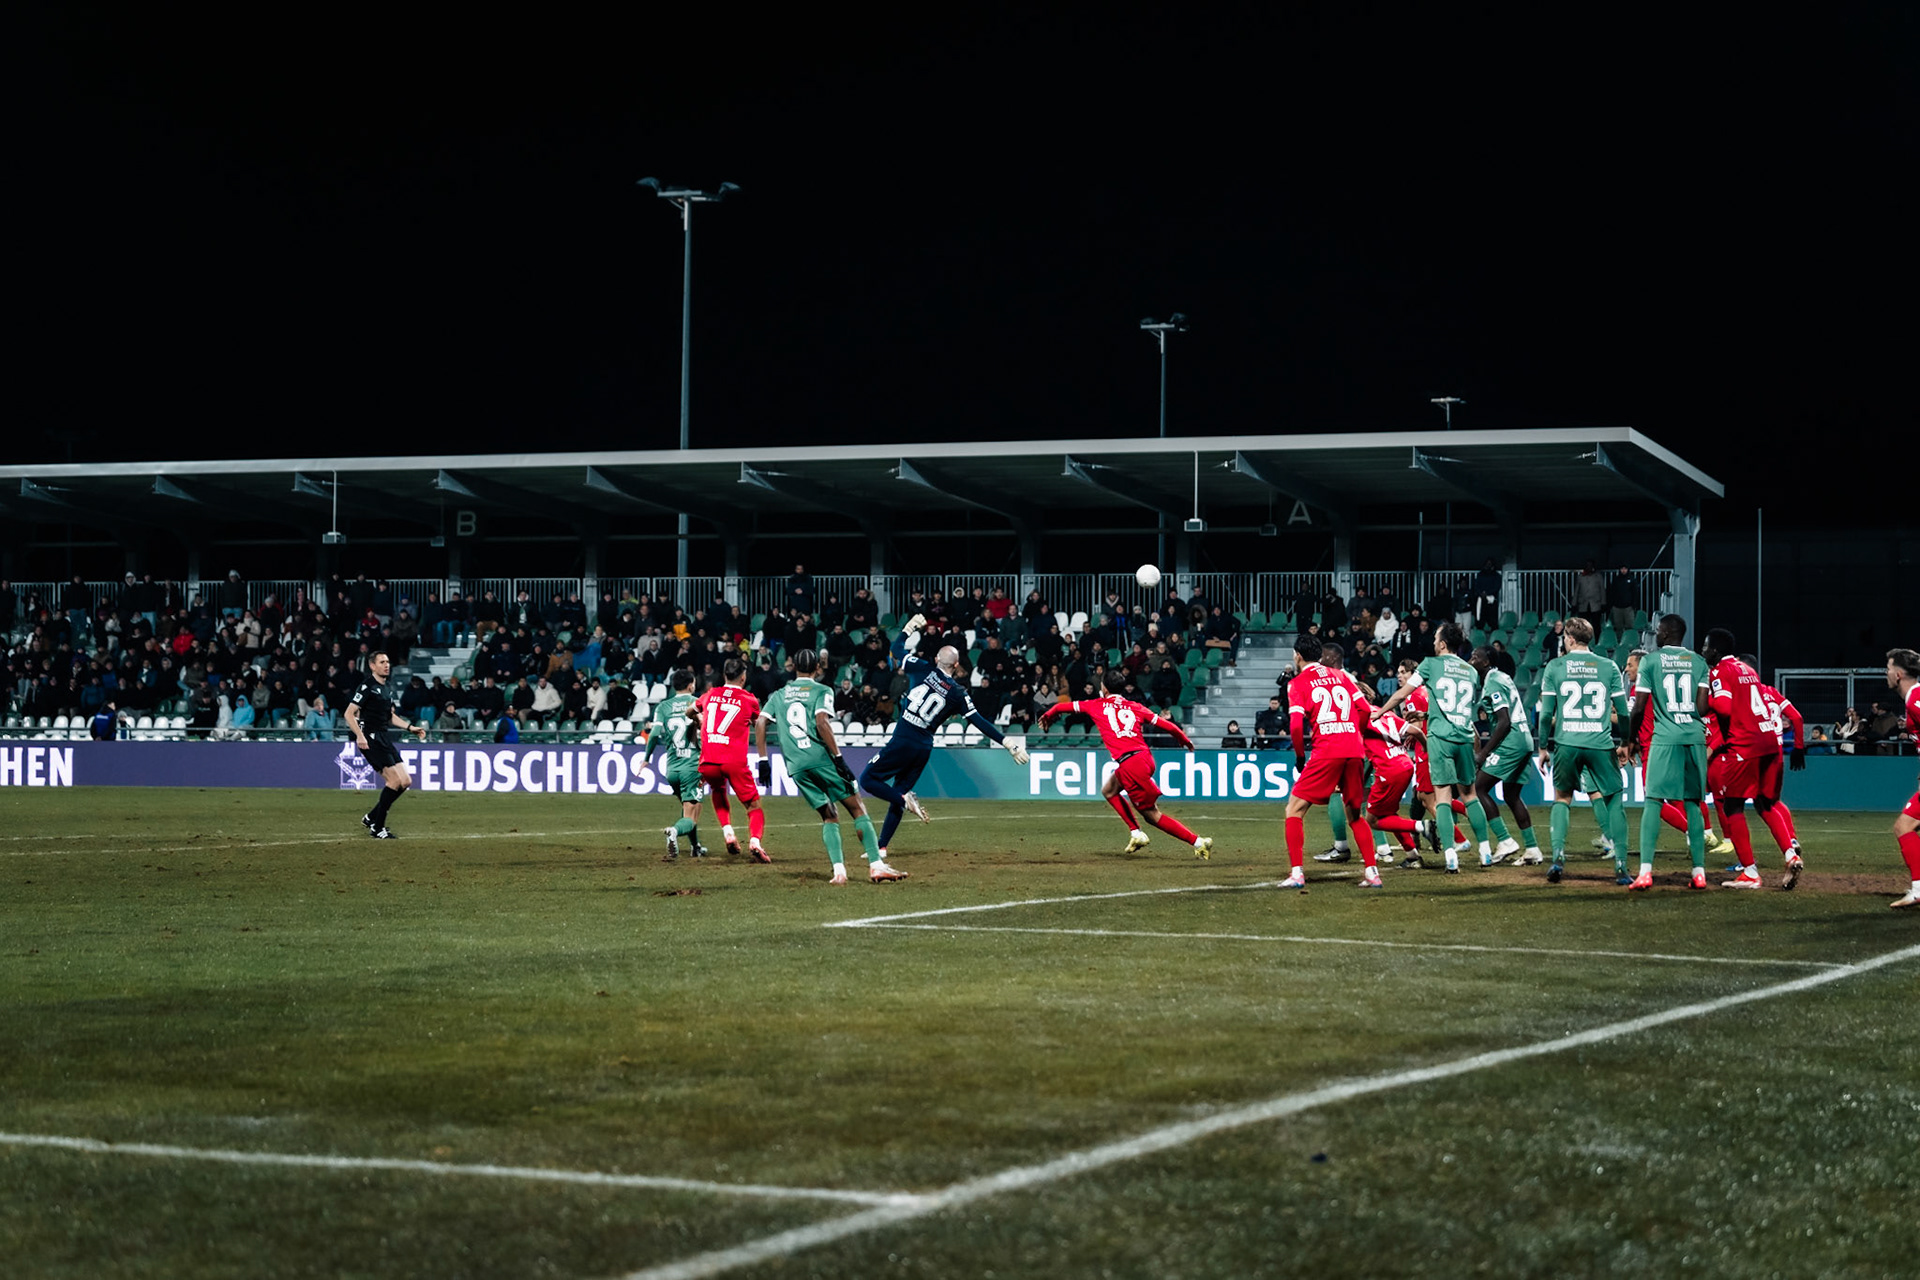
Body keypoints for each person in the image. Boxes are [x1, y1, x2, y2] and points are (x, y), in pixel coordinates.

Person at [858, 614, 1028, 862]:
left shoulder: (922, 667)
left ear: (937, 659)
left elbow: (895, 650)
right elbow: (978, 720)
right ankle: (882, 847)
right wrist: (1008, 743)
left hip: (904, 737)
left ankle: (904, 801)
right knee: (901, 788)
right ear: (957, 667)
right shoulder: (959, 694)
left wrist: (909, 628)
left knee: (868, 779)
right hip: (924, 746)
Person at [757, 648, 898, 883]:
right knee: (857, 808)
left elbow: (761, 722)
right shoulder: (822, 690)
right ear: (817, 668)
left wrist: (763, 760)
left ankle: (839, 872)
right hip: (820, 759)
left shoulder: (779, 694)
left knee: (829, 816)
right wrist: (839, 758)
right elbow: (822, 723)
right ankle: (876, 865)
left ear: (794, 668)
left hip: (796, 765)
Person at [1038, 667, 1211, 859]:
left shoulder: (1095, 704)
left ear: (1104, 688)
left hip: (1131, 764)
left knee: (1152, 815)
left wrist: (1049, 714)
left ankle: (1198, 842)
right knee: (1109, 790)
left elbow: (1063, 707)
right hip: (1144, 758)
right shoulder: (1135, 706)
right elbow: (1166, 724)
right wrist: (1183, 739)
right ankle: (1135, 833)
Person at [1377, 622, 1484, 873]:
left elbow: (1407, 708)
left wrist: (1380, 715)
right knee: (1455, 795)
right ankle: (1482, 846)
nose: (1399, 676)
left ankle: (1458, 840)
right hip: (1458, 740)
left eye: (1403, 672)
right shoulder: (1467, 672)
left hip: (1433, 746)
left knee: (1434, 797)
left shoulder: (1418, 687)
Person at [1700, 629, 1804, 889]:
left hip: (1744, 744)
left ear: (1715, 650)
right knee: (1765, 803)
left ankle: (1750, 873)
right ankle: (1790, 855)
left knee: (1732, 807)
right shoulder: (1748, 670)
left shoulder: (1720, 671)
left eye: (1705, 646)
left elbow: (1723, 706)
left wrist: (1704, 700)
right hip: (1769, 741)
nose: (1703, 651)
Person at [1536, 617, 1633, 883]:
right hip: (1600, 743)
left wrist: (1543, 747)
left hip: (1567, 743)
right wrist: (1624, 741)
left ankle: (1557, 857)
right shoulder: (1609, 666)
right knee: (1613, 799)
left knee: (1562, 798)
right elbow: (1623, 712)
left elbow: (1545, 715)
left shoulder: (1554, 666)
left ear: (1568, 638)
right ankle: (1621, 866)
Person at [1284, 632, 1382, 888]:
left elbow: (1295, 726)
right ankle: (1372, 873)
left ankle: (1296, 874)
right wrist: (1356, 735)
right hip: (1353, 749)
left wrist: (1299, 756)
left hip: (1327, 749)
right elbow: (1363, 710)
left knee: (1294, 810)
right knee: (1355, 814)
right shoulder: (1342, 677)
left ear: (1298, 655)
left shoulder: (1297, 683)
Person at [1627, 615, 1713, 890]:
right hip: (1693, 737)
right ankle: (1699, 873)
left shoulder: (1651, 661)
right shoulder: (1699, 662)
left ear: (1665, 633)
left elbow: (1638, 708)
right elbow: (1702, 708)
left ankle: (1645, 873)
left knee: (1653, 800)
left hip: (1664, 738)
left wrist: (1630, 740)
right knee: (1693, 803)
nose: (1656, 635)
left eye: (1658, 631)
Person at [344, 651, 429, 839]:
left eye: (388, 661)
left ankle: (371, 817)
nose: (387, 665)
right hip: (370, 738)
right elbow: (349, 713)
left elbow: (389, 716)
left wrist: (409, 727)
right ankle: (377, 827)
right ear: (372, 666)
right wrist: (359, 736)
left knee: (405, 781)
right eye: (382, 662)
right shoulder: (367, 686)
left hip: (383, 737)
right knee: (394, 781)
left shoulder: (387, 688)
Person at [1468, 649, 1540, 866]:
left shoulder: (1493, 682)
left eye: (1475, 658)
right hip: (1525, 739)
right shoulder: (1502, 677)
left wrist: (1484, 753)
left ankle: (1504, 840)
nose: (1471, 661)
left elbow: (1504, 721)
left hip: (1512, 740)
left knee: (1478, 788)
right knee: (1511, 794)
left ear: (1486, 661)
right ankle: (1533, 849)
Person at [695, 656, 771, 861]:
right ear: (743, 677)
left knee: (718, 791)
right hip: (734, 761)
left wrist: (700, 719)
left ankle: (728, 833)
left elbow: (690, 711)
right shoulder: (749, 699)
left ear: (723, 675)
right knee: (754, 806)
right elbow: (760, 722)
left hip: (709, 760)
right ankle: (755, 842)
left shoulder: (710, 694)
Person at [644, 669, 709, 860]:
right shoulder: (699, 704)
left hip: (672, 769)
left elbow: (654, 734)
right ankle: (674, 831)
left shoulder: (663, 707)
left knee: (687, 807)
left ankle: (695, 846)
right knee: (691, 815)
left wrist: (646, 758)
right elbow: (706, 733)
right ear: (691, 685)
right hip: (692, 767)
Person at [1883, 647, 1920, 909]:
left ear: (1898, 674)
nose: (1885, 674)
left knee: (1903, 827)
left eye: (1887, 669)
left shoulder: (1915, 700)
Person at [1606, 567, 1639, 635]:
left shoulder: (1632, 579)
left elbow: (1635, 593)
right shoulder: (1616, 580)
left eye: (1625, 569)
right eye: (1622, 569)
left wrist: (1633, 605)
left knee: (1630, 626)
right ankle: (1619, 642)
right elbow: (1612, 592)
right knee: (1618, 627)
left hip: (1628, 608)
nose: (1623, 571)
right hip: (1617, 608)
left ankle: (1630, 642)